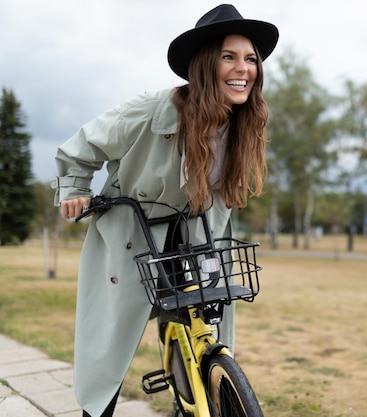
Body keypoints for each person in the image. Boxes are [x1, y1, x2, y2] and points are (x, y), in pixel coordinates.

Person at [51, 5, 279, 417]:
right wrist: (75, 190)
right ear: (206, 64)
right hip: (133, 230)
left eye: (250, 59)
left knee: (206, 320)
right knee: (111, 343)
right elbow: (80, 147)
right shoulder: (151, 110)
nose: (242, 69)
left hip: (197, 233)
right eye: (229, 56)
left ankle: (198, 389)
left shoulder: (243, 121)